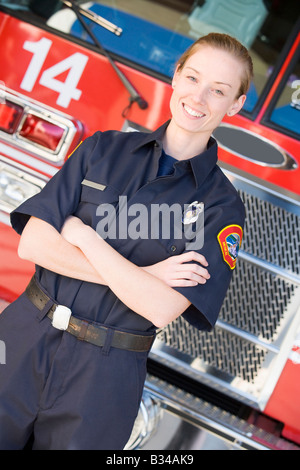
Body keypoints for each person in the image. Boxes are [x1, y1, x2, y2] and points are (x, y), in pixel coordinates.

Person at [0, 33, 253, 450]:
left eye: (219, 91)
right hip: (24, 334)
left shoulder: (222, 210)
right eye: (193, 78)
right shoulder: (101, 147)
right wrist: (143, 277)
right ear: (176, 76)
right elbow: (33, 244)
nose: (200, 97)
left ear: (236, 104)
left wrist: (82, 236)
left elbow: (159, 306)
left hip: (104, 377)